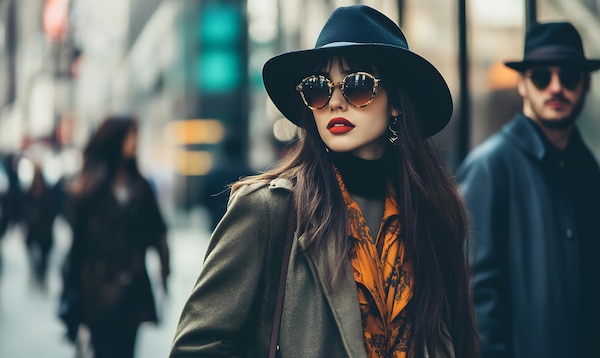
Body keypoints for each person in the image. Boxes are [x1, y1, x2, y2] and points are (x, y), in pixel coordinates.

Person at [170, 5, 478, 358]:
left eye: (357, 85)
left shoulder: (434, 212)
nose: (334, 102)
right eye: (318, 89)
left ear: (396, 103)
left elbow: (460, 337)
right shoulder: (269, 209)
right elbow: (196, 348)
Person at [456, 22, 600, 358]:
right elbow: (475, 299)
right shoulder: (490, 167)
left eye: (569, 76)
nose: (556, 87)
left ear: (586, 83)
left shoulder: (586, 168)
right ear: (522, 84)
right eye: (541, 77)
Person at [59, 115, 170, 358]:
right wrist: (69, 291)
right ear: (115, 139)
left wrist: (164, 266)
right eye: (130, 136)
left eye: (135, 136)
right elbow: (78, 246)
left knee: (126, 352)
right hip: (98, 291)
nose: (134, 142)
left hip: (133, 289)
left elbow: (158, 230)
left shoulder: (141, 186)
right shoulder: (91, 189)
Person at [201, 136, 254, 231]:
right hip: (243, 223)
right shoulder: (250, 174)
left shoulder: (214, 173)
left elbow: (205, 200)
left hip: (218, 222)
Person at [21, 161, 58, 286]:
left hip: (45, 231)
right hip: (34, 230)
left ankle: (41, 276)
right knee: (33, 254)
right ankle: (37, 274)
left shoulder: (48, 192)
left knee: (44, 257)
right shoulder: (30, 191)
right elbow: (25, 209)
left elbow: (52, 211)